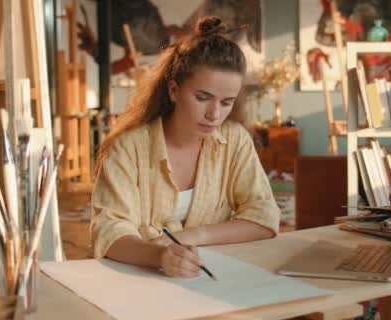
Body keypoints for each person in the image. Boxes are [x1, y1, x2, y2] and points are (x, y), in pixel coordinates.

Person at [91, 16, 280, 278]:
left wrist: (194, 235)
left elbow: (264, 217)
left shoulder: (235, 139)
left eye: (227, 102)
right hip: (140, 281)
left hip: (214, 278)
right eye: (203, 98)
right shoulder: (128, 147)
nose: (214, 114)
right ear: (173, 90)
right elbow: (109, 231)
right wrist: (159, 255)